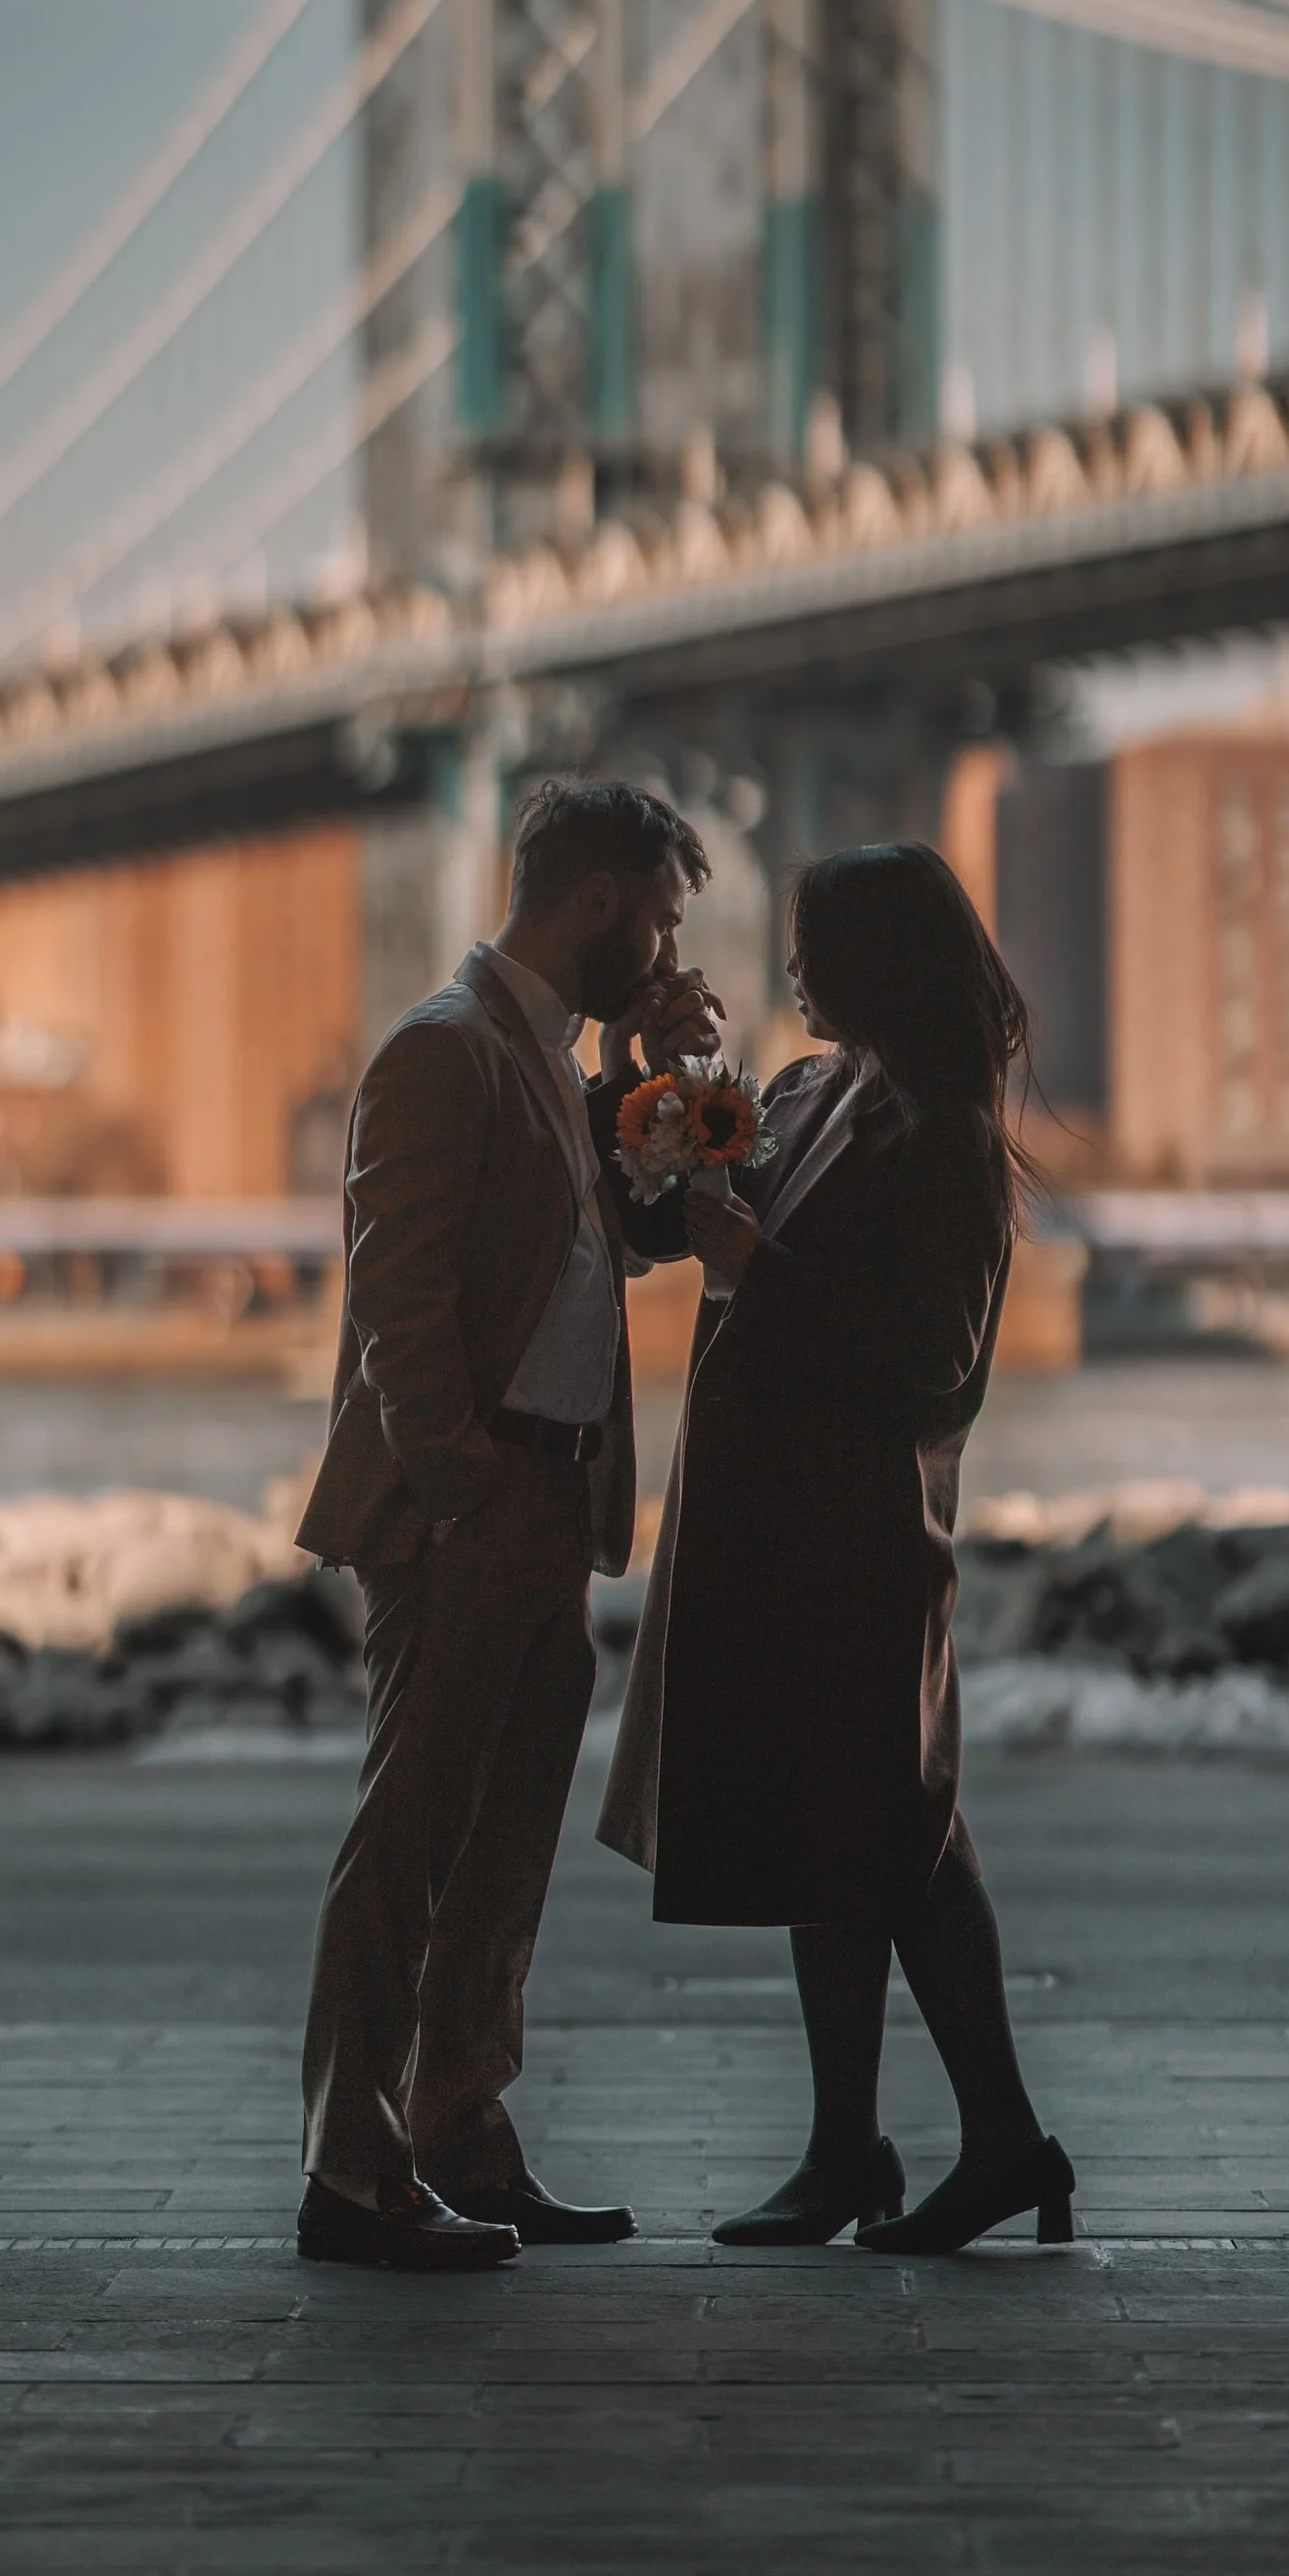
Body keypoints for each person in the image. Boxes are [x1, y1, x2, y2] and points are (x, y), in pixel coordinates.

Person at [599, 841, 1074, 2252]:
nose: (791, 966)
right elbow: (650, 1188)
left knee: (896, 1837)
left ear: (875, 960)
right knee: (853, 1831)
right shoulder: (805, 1093)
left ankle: (965, 2145)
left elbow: (935, 1372)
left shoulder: (943, 1143)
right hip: (778, 1536)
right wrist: (650, 1069)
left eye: (814, 943)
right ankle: (880, 2147)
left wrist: (761, 1276)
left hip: (862, 1543)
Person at [295, 776, 718, 2271]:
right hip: (467, 1506)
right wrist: (460, 1483)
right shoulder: (443, 1051)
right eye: (660, 915)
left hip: (555, 1498)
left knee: (502, 1851)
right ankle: (353, 2174)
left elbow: (668, 1223)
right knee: (410, 1837)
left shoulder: (553, 1060)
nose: (668, 948)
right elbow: (394, 1300)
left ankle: (463, 2137)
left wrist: (682, 1068)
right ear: (595, 901)